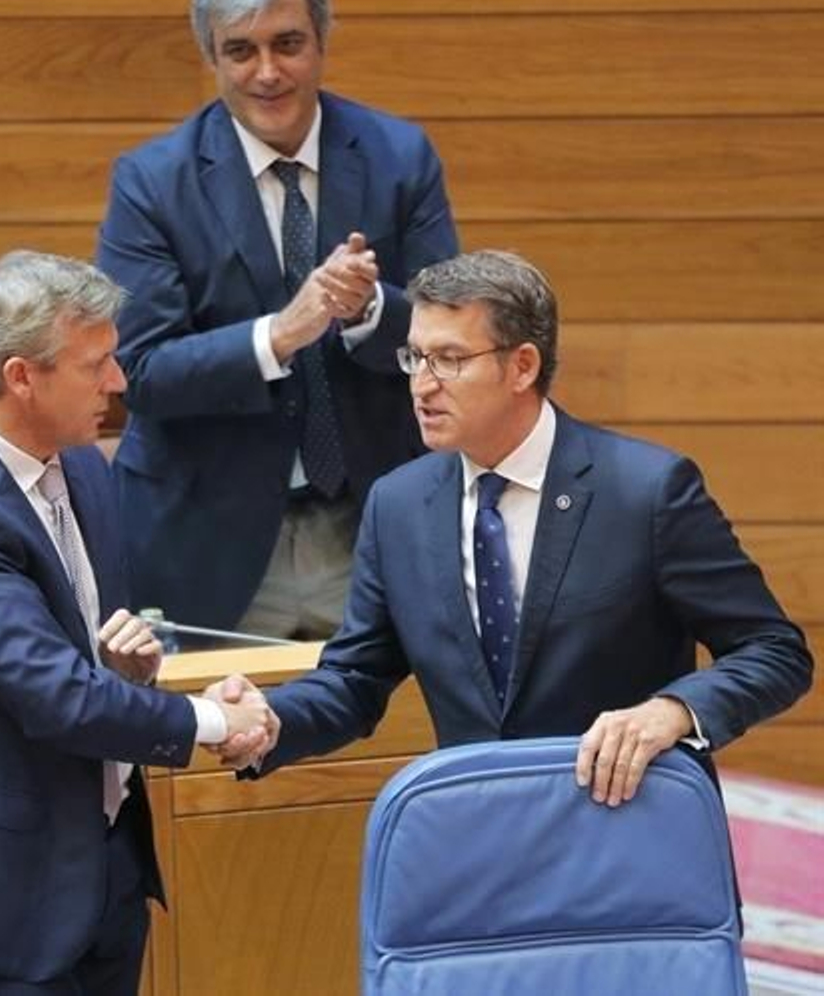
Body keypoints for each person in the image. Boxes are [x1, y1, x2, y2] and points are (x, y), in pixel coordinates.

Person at [210, 250, 813, 807]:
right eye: (415, 357)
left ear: (522, 365)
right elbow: (355, 678)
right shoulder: (399, 505)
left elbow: (774, 652)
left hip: (629, 838)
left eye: (449, 359)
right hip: (483, 845)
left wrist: (674, 711)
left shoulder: (647, 491)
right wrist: (271, 719)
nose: (422, 384)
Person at [0, 251, 274, 995]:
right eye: (98, 364)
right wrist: (213, 720)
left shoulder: (83, 465)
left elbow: (72, 659)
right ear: (22, 376)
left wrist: (128, 671)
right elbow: (56, 696)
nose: (119, 383)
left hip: (102, 864)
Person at [96, 0, 458, 642]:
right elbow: (141, 371)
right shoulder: (152, 182)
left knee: (391, 735)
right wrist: (282, 333)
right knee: (216, 738)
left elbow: (452, 329)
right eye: (240, 50)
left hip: (368, 522)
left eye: (287, 44)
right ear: (212, 57)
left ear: (320, 42)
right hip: (209, 539)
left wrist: (369, 309)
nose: (267, 71)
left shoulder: (399, 156)